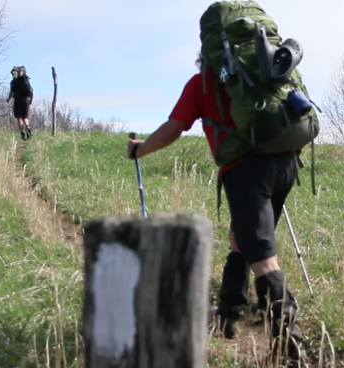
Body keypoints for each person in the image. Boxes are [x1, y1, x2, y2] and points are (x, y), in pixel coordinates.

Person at [126, 53, 307, 364]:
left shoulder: (204, 84)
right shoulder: (266, 75)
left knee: (262, 257)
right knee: (242, 236)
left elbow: (174, 127)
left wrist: (141, 149)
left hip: (247, 171)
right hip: (286, 163)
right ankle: (228, 315)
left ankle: (290, 350)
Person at [7, 66, 33, 141]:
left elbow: (12, 91)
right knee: (25, 117)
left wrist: (8, 99)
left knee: (19, 118)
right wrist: (30, 101)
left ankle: (22, 133)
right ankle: (27, 126)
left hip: (18, 100)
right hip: (26, 100)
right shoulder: (25, 80)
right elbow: (31, 91)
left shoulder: (13, 82)